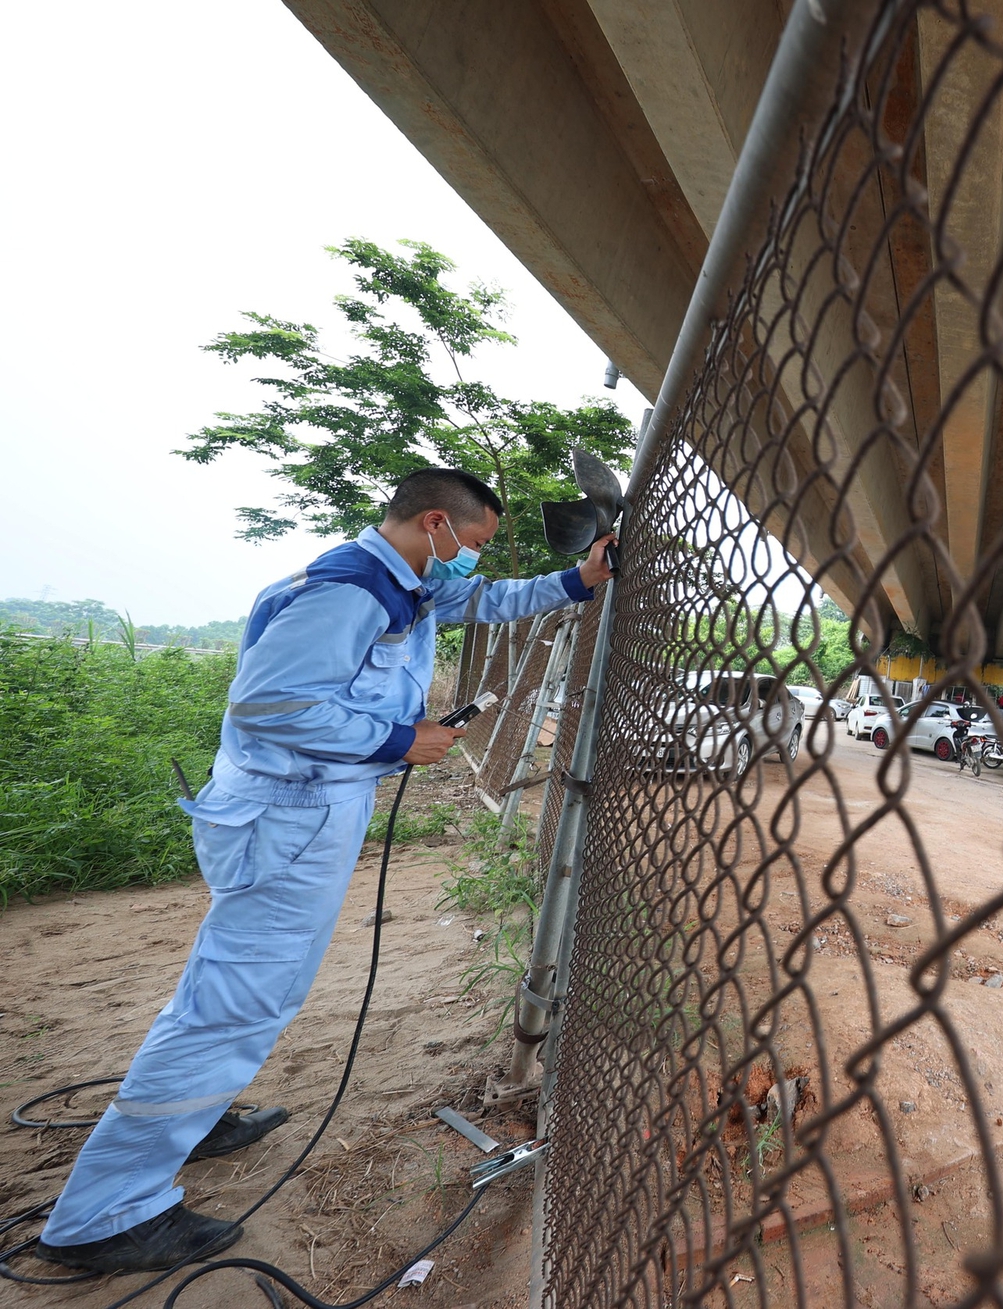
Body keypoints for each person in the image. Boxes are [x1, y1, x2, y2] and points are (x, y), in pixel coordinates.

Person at [34, 468, 614, 1274]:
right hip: (286, 819)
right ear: (437, 522)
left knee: (233, 990)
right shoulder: (351, 593)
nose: (470, 566)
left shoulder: (398, 579)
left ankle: (191, 1118)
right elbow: (271, 702)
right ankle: (106, 1213)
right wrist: (399, 739)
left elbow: (481, 602)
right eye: (472, 546)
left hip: (288, 813)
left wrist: (577, 581)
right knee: (234, 1002)